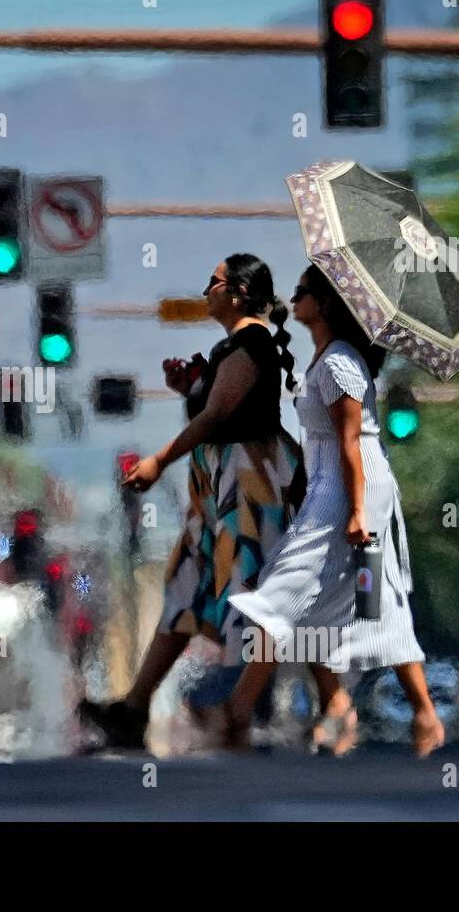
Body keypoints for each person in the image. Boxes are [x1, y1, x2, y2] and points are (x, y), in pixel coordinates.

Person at [80, 253, 307, 748]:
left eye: (215, 282)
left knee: (257, 596)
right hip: (218, 488)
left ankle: (240, 708)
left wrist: (159, 460)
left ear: (239, 293)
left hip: (247, 487)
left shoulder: (251, 344)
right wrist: (190, 389)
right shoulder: (232, 349)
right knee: (187, 587)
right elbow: (214, 409)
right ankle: (134, 709)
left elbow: (218, 416)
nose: (206, 290)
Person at [221, 264, 445, 757]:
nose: (293, 298)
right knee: (374, 603)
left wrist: (358, 512)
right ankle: (419, 714)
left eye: (301, 292)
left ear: (322, 304)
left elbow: (350, 442)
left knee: (283, 591)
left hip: (350, 488)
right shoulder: (327, 357)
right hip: (335, 485)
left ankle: (238, 710)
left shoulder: (342, 362)